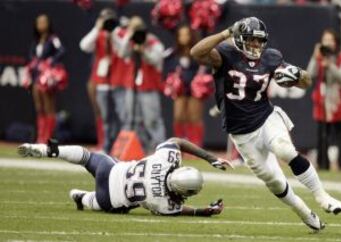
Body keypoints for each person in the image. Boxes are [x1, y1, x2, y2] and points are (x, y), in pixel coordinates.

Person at [190, 16, 341, 231]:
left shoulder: (271, 57)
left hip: (266, 118)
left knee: (285, 150)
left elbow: (305, 83)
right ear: (241, 38)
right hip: (242, 134)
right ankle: (305, 213)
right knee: (275, 182)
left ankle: (323, 196)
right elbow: (196, 52)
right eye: (251, 40)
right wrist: (226, 33)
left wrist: (297, 75)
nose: (255, 45)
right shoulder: (226, 54)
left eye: (259, 40)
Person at [17, 138, 230, 216]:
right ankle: (80, 197)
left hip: (109, 170)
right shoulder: (165, 204)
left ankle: (51, 151)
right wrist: (205, 211)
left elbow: (179, 141)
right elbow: (182, 209)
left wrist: (210, 158)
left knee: (87, 156)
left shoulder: (165, 159)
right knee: (110, 203)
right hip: (109, 200)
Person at [112, 16, 166, 152]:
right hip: (132, 86)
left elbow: (155, 59)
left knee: (152, 121)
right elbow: (122, 54)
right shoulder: (130, 41)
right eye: (132, 28)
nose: (135, 31)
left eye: (137, 28)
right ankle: (142, 148)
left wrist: (143, 51)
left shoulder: (153, 42)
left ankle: (158, 150)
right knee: (134, 120)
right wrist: (128, 37)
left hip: (149, 87)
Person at [307, 29, 341, 171]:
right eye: (325, 40)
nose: (327, 43)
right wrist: (315, 57)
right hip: (323, 102)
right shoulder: (319, 57)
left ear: (336, 43)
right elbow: (309, 75)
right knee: (322, 136)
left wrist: (330, 65)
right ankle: (323, 165)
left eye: (330, 40)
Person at [80, 8, 120, 153]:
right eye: (104, 19)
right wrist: (97, 28)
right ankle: (103, 143)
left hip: (116, 79)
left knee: (116, 115)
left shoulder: (117, 33)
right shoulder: (98, 34)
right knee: (100, 112)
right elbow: (84, 46)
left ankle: (114, 144)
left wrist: (114, 32)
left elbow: (122, 51)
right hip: (99, 78)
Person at [164, 25, 211, 147]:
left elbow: (206, 66)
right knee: (179, 115)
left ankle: (195, 146)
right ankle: (180, 145)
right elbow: (168, 68)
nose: (184, 37)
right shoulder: (173, 53)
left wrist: (200, 79)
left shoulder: (198, 51)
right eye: (181, 35)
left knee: (194, 116)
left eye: (186, 34)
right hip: (180, 88)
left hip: (195, 87)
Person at [26, 14, 66, 143]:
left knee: (49, 106)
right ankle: (40, 136)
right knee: (39, 107)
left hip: (47, 76)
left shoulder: (53, 39)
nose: (41, 25)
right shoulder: (36, 41)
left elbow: (61, 50)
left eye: (44, 22)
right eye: (39, 23)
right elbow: (32, 56)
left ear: (48, 24)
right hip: (36, 76)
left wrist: (51, 61)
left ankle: (49, 137)